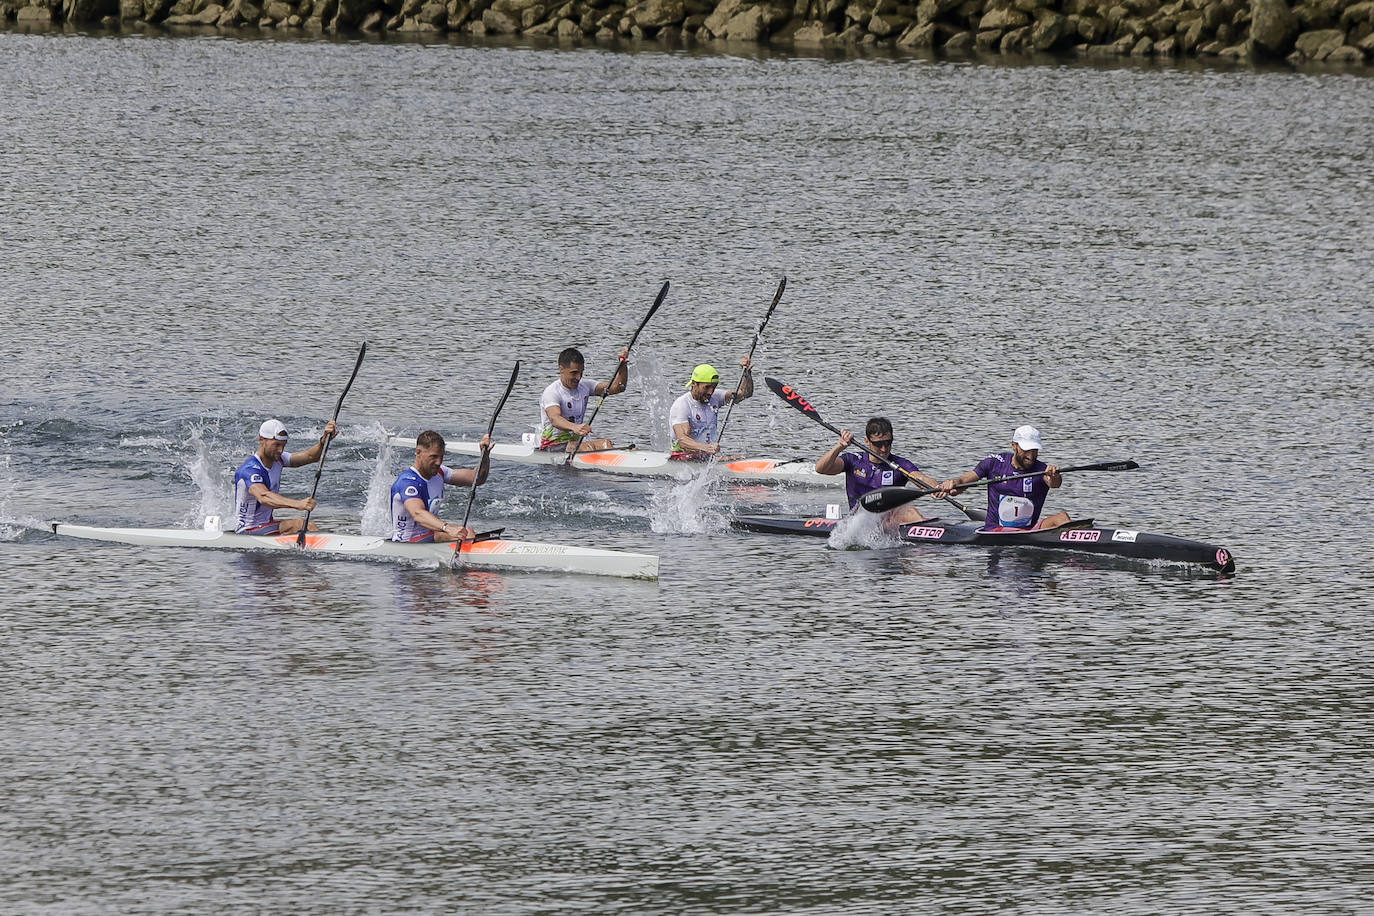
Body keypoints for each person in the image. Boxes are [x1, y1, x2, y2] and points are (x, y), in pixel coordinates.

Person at [936, 425, 1070, 530]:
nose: (1031, 455)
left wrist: (1054, 476)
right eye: (1026, 449)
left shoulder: (1042, 470)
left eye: (1034, 450)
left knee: (1062, 517)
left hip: (1028, 531)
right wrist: (952, 485)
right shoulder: (994, 463)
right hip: (996, 530)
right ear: (1014, 446)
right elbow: (963, 481)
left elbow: (1054, 483)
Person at [815, 417, 943, 523]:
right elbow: (821, 469)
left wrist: (936, 487)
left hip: (889, 520)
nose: (883, 449)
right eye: (878, 444)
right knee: (909, 512)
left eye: (888, 443)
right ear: (867, 441)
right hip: (859, 521)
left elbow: (920, 478)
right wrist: (839, 447)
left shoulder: (900, 464)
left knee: (908, 512)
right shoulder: (853, 460)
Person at [233, 418, 338, 535]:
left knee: (306, 526)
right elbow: (264, 497)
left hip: (266, 525)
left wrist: (323, 441)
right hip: (248, 530)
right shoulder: (250, 469)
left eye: (283, 445)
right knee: (302, 525)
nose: (280, 450)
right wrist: (298, 504)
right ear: (262, 439)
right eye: (276, 445)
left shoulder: (278, 459)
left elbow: (310, 457)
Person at [390, 430, 493, 543]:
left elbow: (477, 479)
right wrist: (448, 528)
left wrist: (485, 455)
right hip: (408, 542)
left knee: (467, 533)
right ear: (418, 452)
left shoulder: (440, 472)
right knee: (468, 535)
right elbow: (418, 513)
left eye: (441, 456)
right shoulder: (408, 482)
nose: (438, 462)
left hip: (429, 536)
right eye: (433, 456)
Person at [538, 346, 630, 453]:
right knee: (587, 448)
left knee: (606, 443)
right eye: (574, 373)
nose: (578, 377)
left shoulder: (585, 386)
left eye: (581, 373)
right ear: (561, 369)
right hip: (552, 445)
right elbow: (555, 418)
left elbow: (618, 387)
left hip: (574, 444)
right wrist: (575, 427)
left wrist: (623, 366)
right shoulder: (552, 392)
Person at [668, 357, 753, 460]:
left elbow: (745, 394)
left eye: (714, 387)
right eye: (707, 387)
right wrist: (706, 448)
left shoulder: (715, 397)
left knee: (744, 458)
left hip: (705, 457)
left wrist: (746, 374)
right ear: (694, 384)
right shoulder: (682, 405)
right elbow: (683, 440)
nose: (710, 392)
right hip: (682, 458)